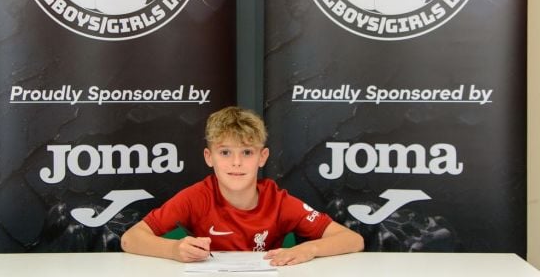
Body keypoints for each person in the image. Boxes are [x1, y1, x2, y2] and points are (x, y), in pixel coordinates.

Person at [121, 106, 364, 265]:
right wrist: (175, 249)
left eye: (247, 152)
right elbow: (130, 239)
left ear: (262, 157)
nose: (236, 163)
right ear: (209, 157)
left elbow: (353, 240)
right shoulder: (197, 196)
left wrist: (308, 249)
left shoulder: (278, 201)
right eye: (225, 152)